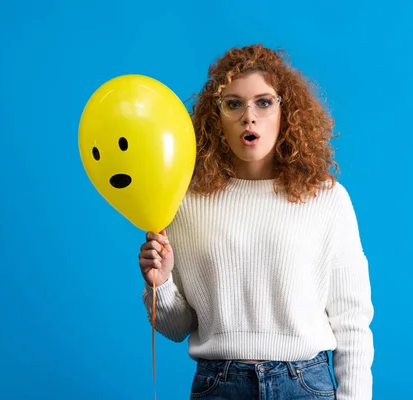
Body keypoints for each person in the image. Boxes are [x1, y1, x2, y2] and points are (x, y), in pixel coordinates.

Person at [140, 44, 374, 400]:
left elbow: (352, 322)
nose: (249, 116)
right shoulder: (184, 201)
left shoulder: (326, 198)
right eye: (233, 103)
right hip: (219, 385)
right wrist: (160, 285)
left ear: (286, 111)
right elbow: (176, 328)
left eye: (263, 102)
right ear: (215, 117)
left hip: (305, 384)